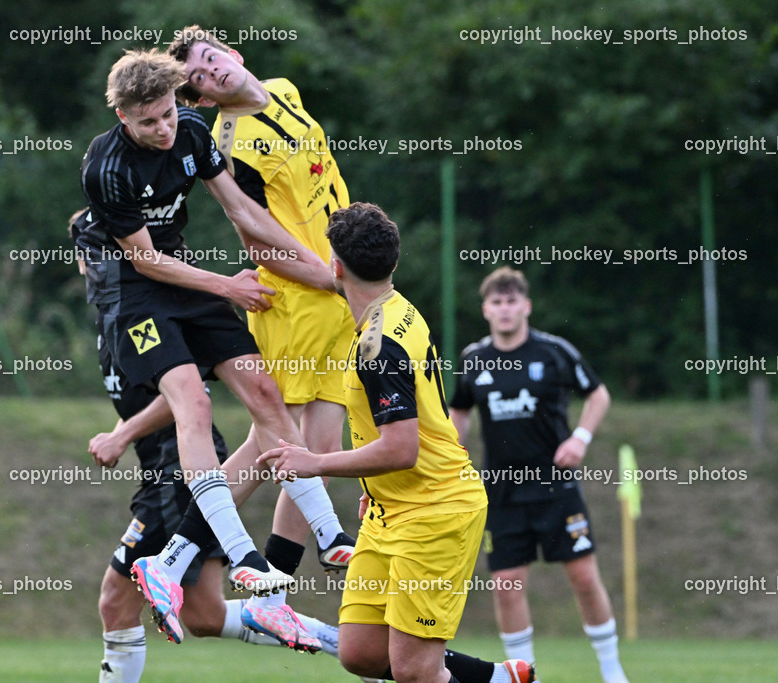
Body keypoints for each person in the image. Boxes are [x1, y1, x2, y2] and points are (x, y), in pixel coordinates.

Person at [78, 49, 353, 645]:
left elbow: (239, 208)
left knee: (263, 392)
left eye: (169, 113)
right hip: (137, 294)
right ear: (123, 116)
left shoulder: (194, 131)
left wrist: (320, 268)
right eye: (148, 120)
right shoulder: (106, 168)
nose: (163, 127)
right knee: (193, 404)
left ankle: (331, 537)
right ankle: (241, 554)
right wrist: (227, 285)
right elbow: (145, 259)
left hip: (187, 279)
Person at [261, 204, 534, 683]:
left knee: (414, 671)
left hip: (435, 511)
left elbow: (401, 448)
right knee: (360, 653)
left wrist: (313, 461)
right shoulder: (396, 310)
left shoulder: (379, 344)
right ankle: (495, 679)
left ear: (336, 266)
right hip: (391, 512)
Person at [166, 24, 357, 644]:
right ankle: (180, 557)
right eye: (197, 76)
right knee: (280, 439)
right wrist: (329, 280)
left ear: (233, 54)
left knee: (317, 445)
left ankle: (278, 576)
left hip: (336, 294)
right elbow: (257, 244)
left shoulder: (282, 88)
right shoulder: (231, 144)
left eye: (211, 58)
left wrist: (345, 275)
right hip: (299, 302)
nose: (211, 72)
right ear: (197, 98)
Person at [448, 267, 628, 683]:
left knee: (584, 577)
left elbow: (598, 394)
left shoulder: (553, 351)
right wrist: (454, 452)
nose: (505, 309)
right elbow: (459, 410)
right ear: (485, 310)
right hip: (502, 493)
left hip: (555, 489)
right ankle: (527, 676)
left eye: (512, 301)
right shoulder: (474, 358)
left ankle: (612, 669)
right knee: (507, 584)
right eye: (497, 302)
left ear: (526, 306)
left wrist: (580, 438)